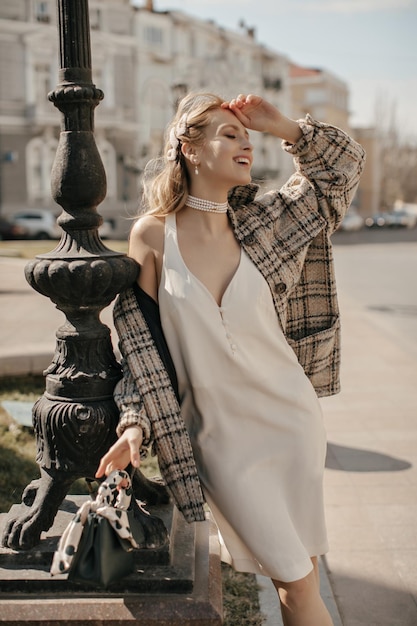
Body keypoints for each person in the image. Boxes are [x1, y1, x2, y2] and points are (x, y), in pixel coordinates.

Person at [96, 92, 365, 625]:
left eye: (246, 136)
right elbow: (140, 346)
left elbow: (341, 170)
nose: (245, 145)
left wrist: (281, 124)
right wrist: (134, 425)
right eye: (228, 134)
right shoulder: (152, 236)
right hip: (218, 440)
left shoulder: (266, 226)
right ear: (189, 149)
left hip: (290, 423)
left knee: (298, 582)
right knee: (296, 579)